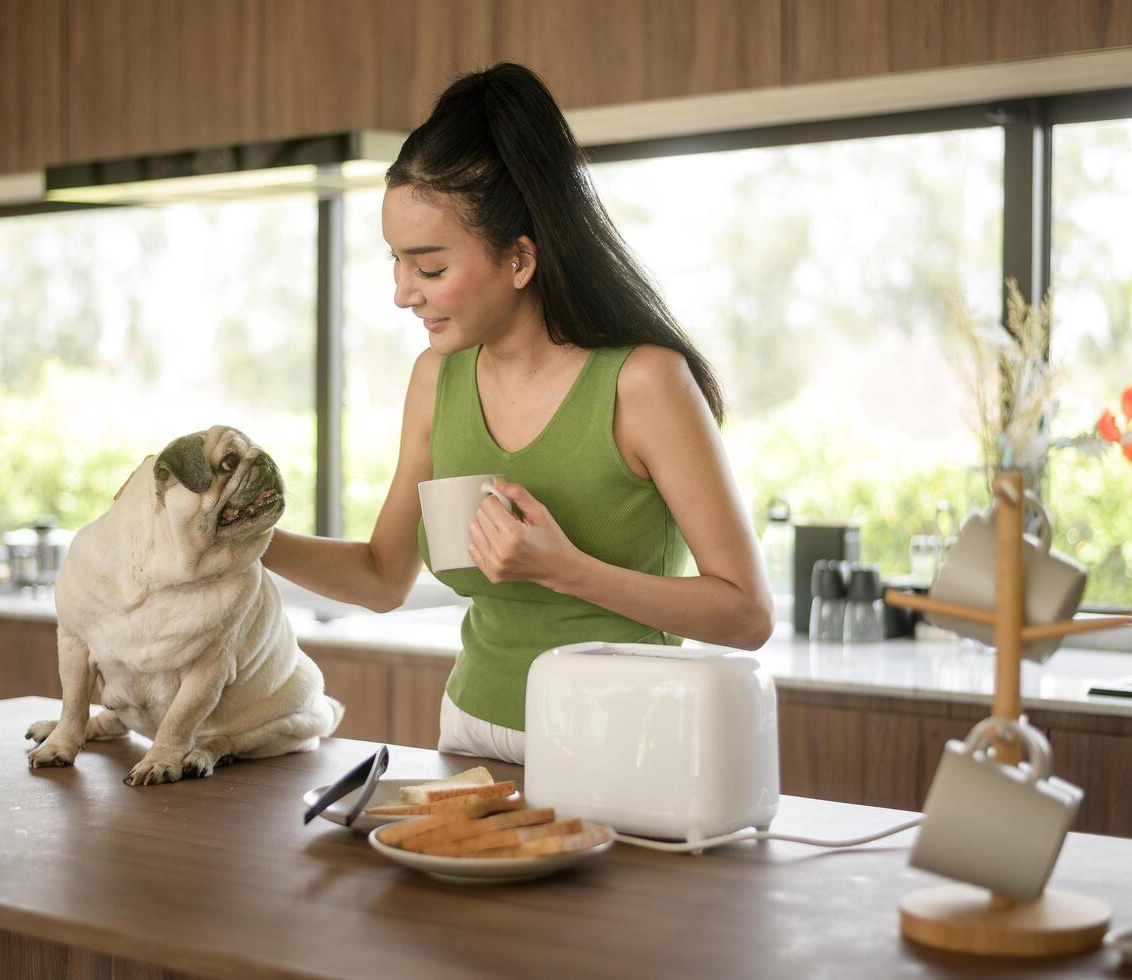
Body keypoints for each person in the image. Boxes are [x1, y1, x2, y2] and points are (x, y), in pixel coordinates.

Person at [261, 63, 773, 765]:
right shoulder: (436, 378)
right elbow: (382, 578)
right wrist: (239, 536)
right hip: (469, 730)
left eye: (429, 268)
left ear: (520, 259)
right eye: (396, 262)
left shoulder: (643, 383)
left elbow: (745, 613)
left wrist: (564, 568)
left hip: (624, 745)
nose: (402, 293)